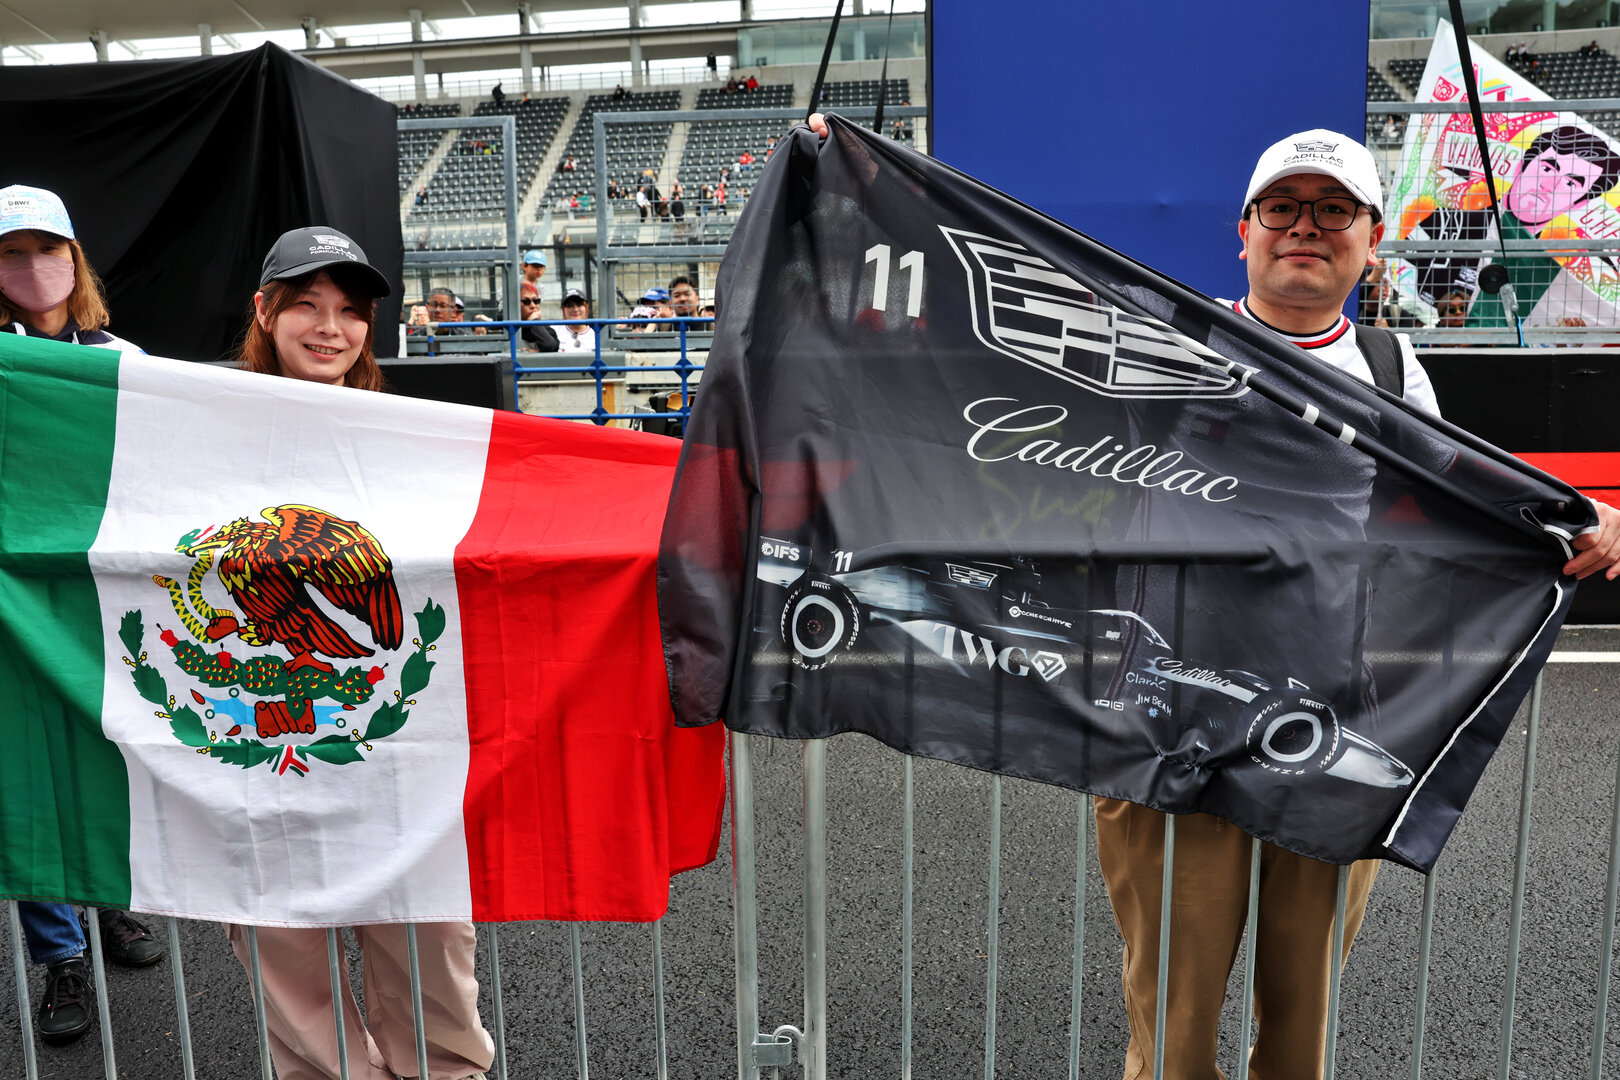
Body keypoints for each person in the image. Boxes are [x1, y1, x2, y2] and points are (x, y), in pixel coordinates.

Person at [804, 113, 1620, 1076]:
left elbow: (1472, 503)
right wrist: (845, 183)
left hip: (1321, 723)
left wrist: (1578, 518)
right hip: (1165, 733)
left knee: (1301, 1022)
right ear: (1246, 231)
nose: (1304, 227)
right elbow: (971, 349)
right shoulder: (1161, 347)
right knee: (1175, 1024)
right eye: (1282, 208)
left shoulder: (1399, 374)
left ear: (1369, 239)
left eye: (1332, 210)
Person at [226, 226, 495, 1080]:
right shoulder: (199, 435)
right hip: (259, 759)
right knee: (296, 997)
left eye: (349, 310)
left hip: (399, 759)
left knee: (437, 987)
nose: (328, 327)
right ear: (263, 311)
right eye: (306, 304)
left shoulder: (414, 438)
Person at [0, 183, 167, 1045]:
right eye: (11, 253)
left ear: (77, 259)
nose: (33, 268)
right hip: (11, 600)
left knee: (106, 756)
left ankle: (107, 903)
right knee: (30, 773)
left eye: (48, 249)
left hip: (100, 593)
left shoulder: (120, 354)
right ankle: (60, 956)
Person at [518, 281, 559, 353]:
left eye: (536, 301)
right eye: (526, 301)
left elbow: (549, 346)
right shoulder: (507, 329)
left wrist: (534, 321)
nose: (533, 306)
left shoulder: (546, 328)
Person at [556, 287, 596, 352]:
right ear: (563, 309)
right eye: (569, 306)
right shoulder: (554, 331)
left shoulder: (596, 333)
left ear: (586, 307)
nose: (575, 309)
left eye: (579, 305)